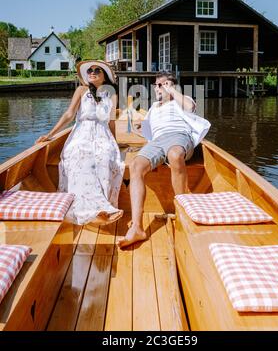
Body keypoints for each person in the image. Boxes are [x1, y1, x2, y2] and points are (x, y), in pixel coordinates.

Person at [117, 71, 211, 248]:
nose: (158, 87)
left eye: (162, 84)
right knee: (136, 165)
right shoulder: (153, 108)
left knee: (174, 155)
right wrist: (138, 127)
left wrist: (173, 91)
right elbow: (148, 134)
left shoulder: (181, 100)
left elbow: (190, 108)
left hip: (179, 137)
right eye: (156, 85)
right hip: (158, 141)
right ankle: (137, 227)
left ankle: (182, 212)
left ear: (172, 86)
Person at [36, 60, 124, 225]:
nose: (92, 72)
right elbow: (69, 115)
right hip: (81, 134)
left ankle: (101, 206)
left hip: (103, 135)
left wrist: (115, 143)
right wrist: (50, 134)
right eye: (90, 70)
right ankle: (86, 209)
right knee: (80, 158)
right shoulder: (81, 90)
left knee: (105, 159)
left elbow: (111, 122)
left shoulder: (111, 94)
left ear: (104, 76)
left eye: (97, 70)